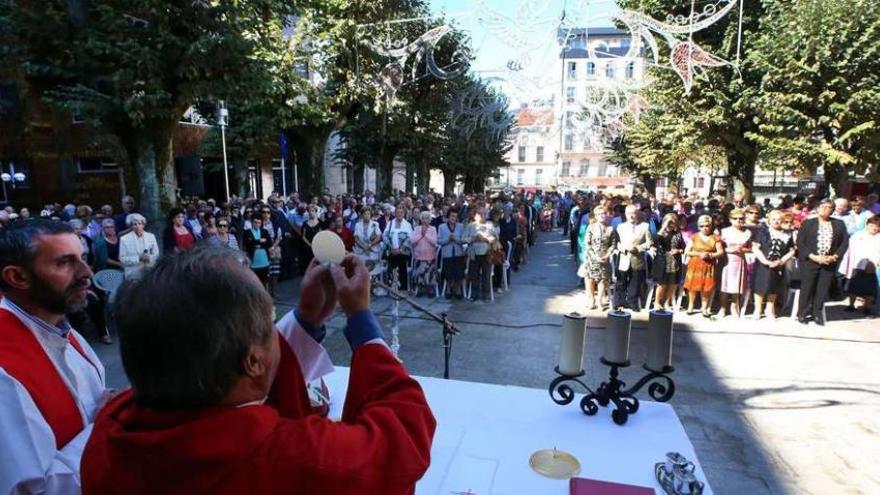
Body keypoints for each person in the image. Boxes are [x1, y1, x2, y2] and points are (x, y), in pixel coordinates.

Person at [81, 249, 435, 494]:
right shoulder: (292, 460)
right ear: (253, 361)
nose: (276, 332)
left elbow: (235, 382)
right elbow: (402, 436)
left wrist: (306, 319)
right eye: (269, 323)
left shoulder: (110, 432)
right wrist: (361, 321)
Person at [0, 220, 108, 494]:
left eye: (82, 258)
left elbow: (92, 405)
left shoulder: (63, 328)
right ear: (18, 277)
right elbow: (36, 488)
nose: (86, 272)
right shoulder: (4, 368)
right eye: (64, 263)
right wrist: (109, 423)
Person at [796, 199, 849, 326]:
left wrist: (835, 256)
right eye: (823, 206)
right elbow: (800, 243)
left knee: (822, 289)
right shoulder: (808, 223)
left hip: (829, 262)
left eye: (829, 207)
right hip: (810, 261)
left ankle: (817, 314)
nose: (826, 209)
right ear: (818, 208)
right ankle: (802, 313)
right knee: (807, 288)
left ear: (833, 209)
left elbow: (844, 243)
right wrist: (813, 256)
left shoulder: (839, 224)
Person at [750, 210, 796, 319]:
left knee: (773, 287)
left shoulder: (787, 235)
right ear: (769, 221)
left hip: (778, 264)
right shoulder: (762, 232)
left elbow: (791, 251)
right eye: (774, 219)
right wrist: (765, 261)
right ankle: (758, 309)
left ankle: (770, 309)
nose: (776, 222)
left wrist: (781, 261)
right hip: (763, 263)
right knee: (759, 287)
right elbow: (755, 248)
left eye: (779, 220)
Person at [612, 205, 653, 311]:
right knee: (621, 281)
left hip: (637, 258)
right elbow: (616, 243)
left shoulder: (645, 226)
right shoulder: (620, 227)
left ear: (637, 214)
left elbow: (649, 243)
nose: (631, 216)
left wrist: (638, 248)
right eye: (629, 213)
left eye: (633, 213)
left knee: (635, 282)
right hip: (624, 257)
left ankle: (632, 303)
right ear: (625, 214)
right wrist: (624, 248)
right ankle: (618, 302)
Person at [683, 215, 724, 317]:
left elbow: (721, 252)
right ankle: (690, 306)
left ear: (711, 226)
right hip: (695, 264)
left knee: (707, 287)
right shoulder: (694, 236)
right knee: (692, 287)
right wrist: (699, 254)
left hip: (709, 264)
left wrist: (710, 255)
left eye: (707, 226)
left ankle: (704, 308)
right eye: (701, 226)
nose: (704, 228)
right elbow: (687, 251)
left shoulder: (715, 238)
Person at [839, 216, 880, 315]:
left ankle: (867, 307)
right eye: (872, 226)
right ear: (867, 225)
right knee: (853, 286)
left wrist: (875, 263)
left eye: (877, 226)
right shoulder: (858, 235)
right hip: (856, 264)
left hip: (873, 267)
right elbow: (851, 250)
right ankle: (851, 305)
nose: (874, 228)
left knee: (870, 289)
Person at [718, 209, 753, 318]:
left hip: (740, 260)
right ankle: (722, 307)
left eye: (741, 218)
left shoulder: (747, 233)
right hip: (727, 260)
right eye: (735, 218)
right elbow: (720, 248)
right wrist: (731, 250)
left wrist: (742, 250)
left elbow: (750, 248)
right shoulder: (724, 231)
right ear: (730, 219)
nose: (738, 220)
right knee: (724, 284)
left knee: (737, 284)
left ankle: (734, 305)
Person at [651, 212, 686, 311]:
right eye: (669, 222)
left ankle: (666, 302)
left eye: (673, 222)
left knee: (673, 283)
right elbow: (656, 241)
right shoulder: (661, 233)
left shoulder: (678, 234)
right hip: (663, 261)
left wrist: (678, 250)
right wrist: (664, 226)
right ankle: (657, 302)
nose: (671, 224)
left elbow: (683, 247)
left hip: (675, 261)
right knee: (662, 283)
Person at [581, 206, 613, 310]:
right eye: (599, 214)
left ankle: (600, 300)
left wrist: (607, 255)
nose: (602, 216)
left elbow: (613, 244)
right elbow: (587, 243)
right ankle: (591, 300)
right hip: (592, 257)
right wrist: (594, 256)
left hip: (604, 257)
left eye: (603, 213)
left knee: (603, 280)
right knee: (590, 279)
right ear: (596, 216)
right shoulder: (591, 227)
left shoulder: (610, 228)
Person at [464, 208, 495, 302]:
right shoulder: (470, 226)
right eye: (479, 214)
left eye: (483, 214)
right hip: (474, 253)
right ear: (475, 215)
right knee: (474, 274)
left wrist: (485, 239)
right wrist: (473, 238)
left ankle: (485, 294)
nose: (481, 215)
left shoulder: (489, 225)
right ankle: (475, 293)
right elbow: (464, 238)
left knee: (486, 274)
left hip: (486, 253)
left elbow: (495, 238)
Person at [119, 213, 160, 280]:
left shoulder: (151, 236)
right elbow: (122, 259)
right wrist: (138, 258)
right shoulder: (124, 239)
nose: (137, 226)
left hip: (149, 272)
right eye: (135, 224)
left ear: (143, 225)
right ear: (131, 226)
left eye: (140, 224)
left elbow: (156, 254)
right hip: (133, 273)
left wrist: (149, 258)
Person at [438, 210, 466, 299]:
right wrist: (448, 240)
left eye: (455, 216)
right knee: (448, 273)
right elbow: (439, 241)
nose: (454, 218)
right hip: (447, 254)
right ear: (448, 217)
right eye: (452, 216)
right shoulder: (441, 227)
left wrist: (456, 239)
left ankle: (457, 289)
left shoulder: (461, 226)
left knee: (459, 273)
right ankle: (449, 289)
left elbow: (463, 240)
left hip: (458, 253)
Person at [383, 206, 413, 291]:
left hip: (403, 251)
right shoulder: (390, 223)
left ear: (404, 214)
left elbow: (409, 238)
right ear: (395, 213)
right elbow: (384, 236)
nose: (399, 214)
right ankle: (392, 284)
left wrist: (400, 249)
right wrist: (391, 247)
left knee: (401, 261)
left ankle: (402, 287)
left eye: (401, 212)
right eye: (398, 212)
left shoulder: (407, 224)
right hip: (392, 250)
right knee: (392, 260)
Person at [410, 211, 438, 297]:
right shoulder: (417, 228)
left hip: (430, 256)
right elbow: (412, 241)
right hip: (419, 256)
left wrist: (425, 234)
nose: (425, 220)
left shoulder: (433, 229)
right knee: (419, 273)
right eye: (424, 218)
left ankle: (430, 289)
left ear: (430, 220)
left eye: (427, 218)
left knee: (429, 273)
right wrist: (421, 235)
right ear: (421, 220)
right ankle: (420, 289)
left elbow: (434, 242)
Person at [243, 214, 272, 290]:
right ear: (252, 222)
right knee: (253, 283)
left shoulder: (264, 231)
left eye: (259, 223)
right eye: (255, 222)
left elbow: (269, 243)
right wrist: (260, 241)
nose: (257, 224)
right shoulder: (247, 232)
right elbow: (248, 244)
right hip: (253, 262)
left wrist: (256, 243)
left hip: (264, 261)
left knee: (264, 282)